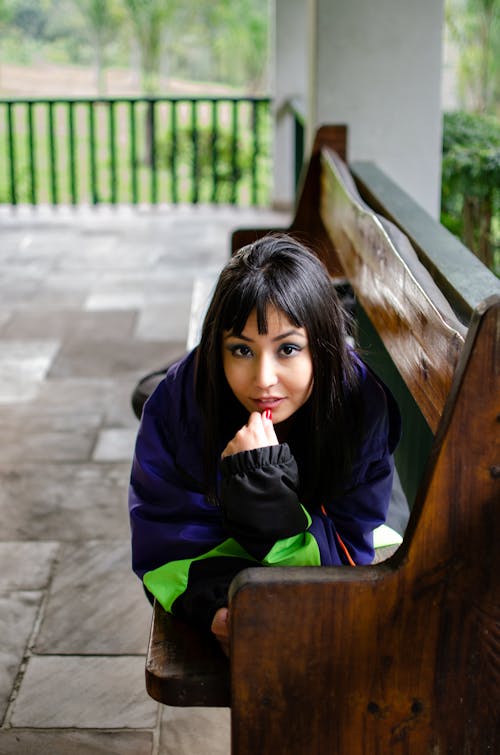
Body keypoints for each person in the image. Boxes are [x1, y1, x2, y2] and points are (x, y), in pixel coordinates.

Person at [128, 234, 401, 654]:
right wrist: (215, 607)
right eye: (241, 350)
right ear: (216, 350)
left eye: (288, 348)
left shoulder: (359, 407)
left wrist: (263, 494)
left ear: (323, 347)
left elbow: (349, 546)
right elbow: (164, 538)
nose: (263, 379)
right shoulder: (178, 405)